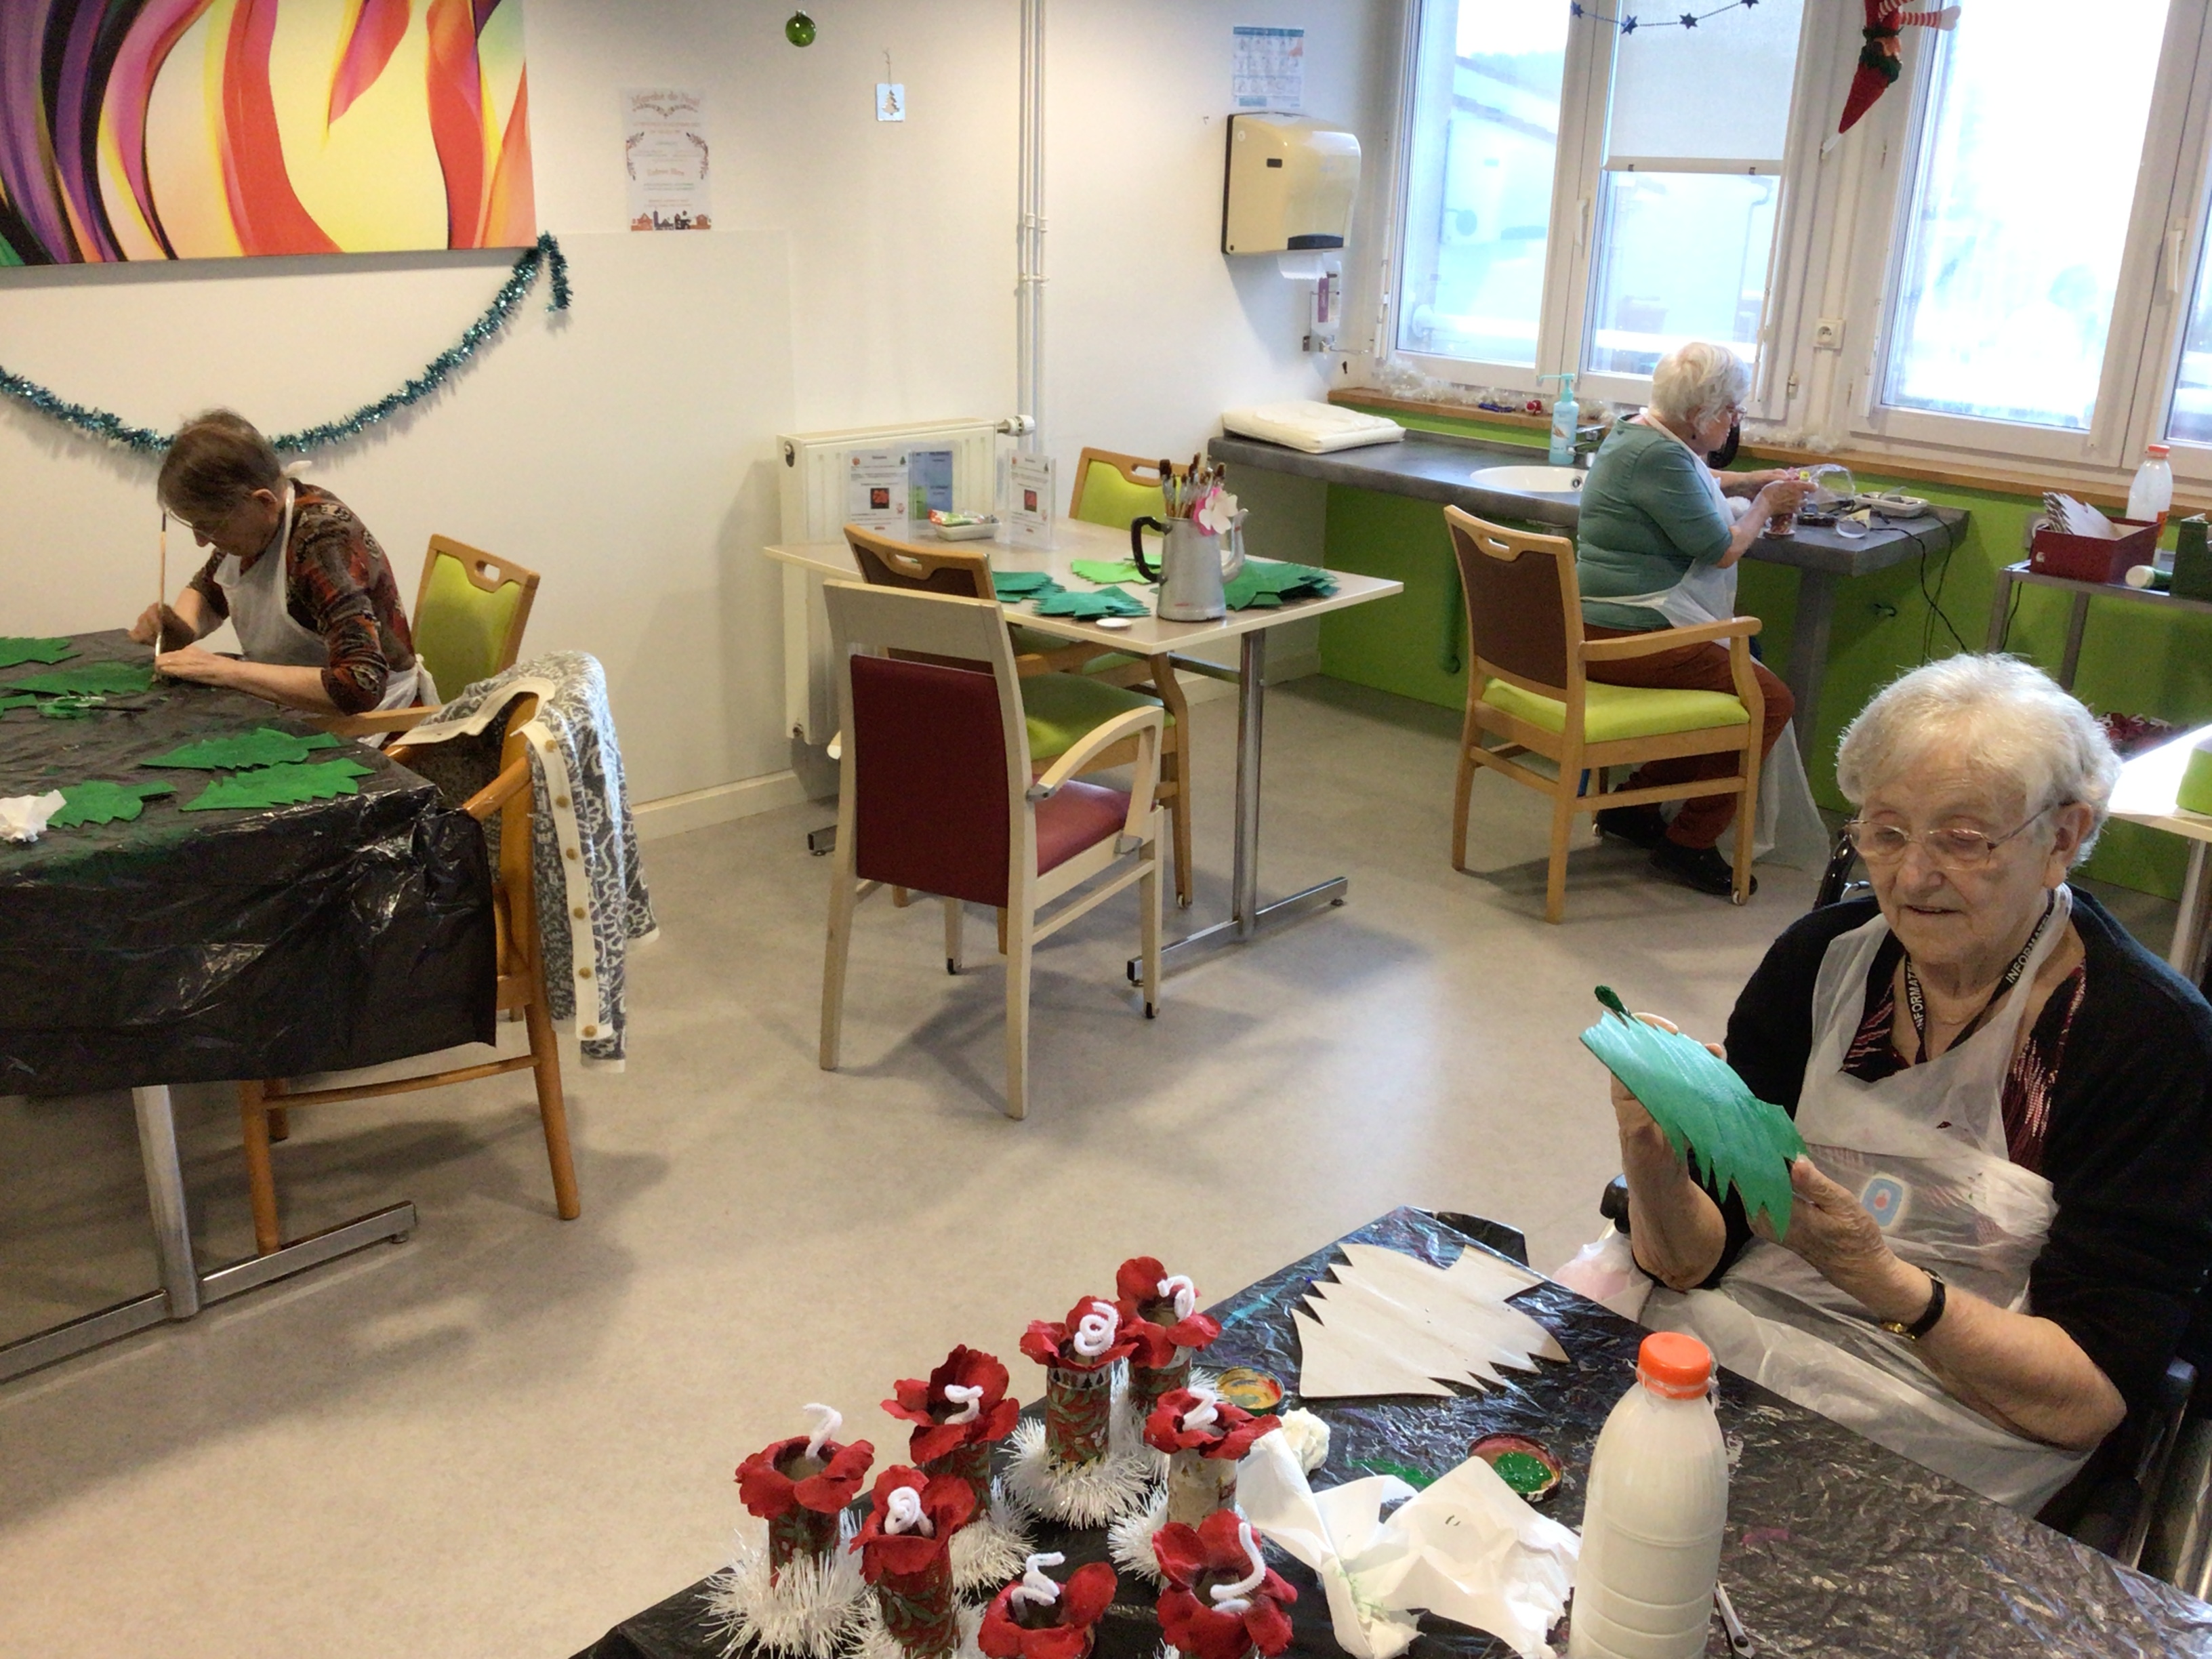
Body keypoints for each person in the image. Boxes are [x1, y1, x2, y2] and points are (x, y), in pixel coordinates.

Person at [1607, 656, 2212, 1518]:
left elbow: (2086, 1401)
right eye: (1886, 832)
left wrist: (1881, 1279)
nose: (1912, 875)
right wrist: (1654, 1161)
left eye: (1963, 839)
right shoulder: (1819, 961)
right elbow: (1690, 1260)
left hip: (1963, 1423)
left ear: (2062, 838)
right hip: (1741, 1350)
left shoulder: (2148, 1041)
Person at [1573, 341, 1813, 897]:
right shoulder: (1659, 457)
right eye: (1731, 411)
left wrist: (1751, 482)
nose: (1735, 423)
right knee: (1768, 700)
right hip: (1626, 635)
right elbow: (1722, 549)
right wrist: (1767, 505)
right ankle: (1690, 843)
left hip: (1600, 623)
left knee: (1744, 666)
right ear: (1700, 414)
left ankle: (1633, 808)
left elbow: (1694, 479)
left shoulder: (1637, 433)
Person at [128, 411, 432, 715]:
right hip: (298, 707)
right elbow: (210, 590)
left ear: (264, 502)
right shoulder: (256, 528)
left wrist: (224, 671)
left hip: (374, 718)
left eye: (210, 527)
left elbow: (360, 685)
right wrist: (179, 629)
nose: (201, 541)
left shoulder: (322, 542)